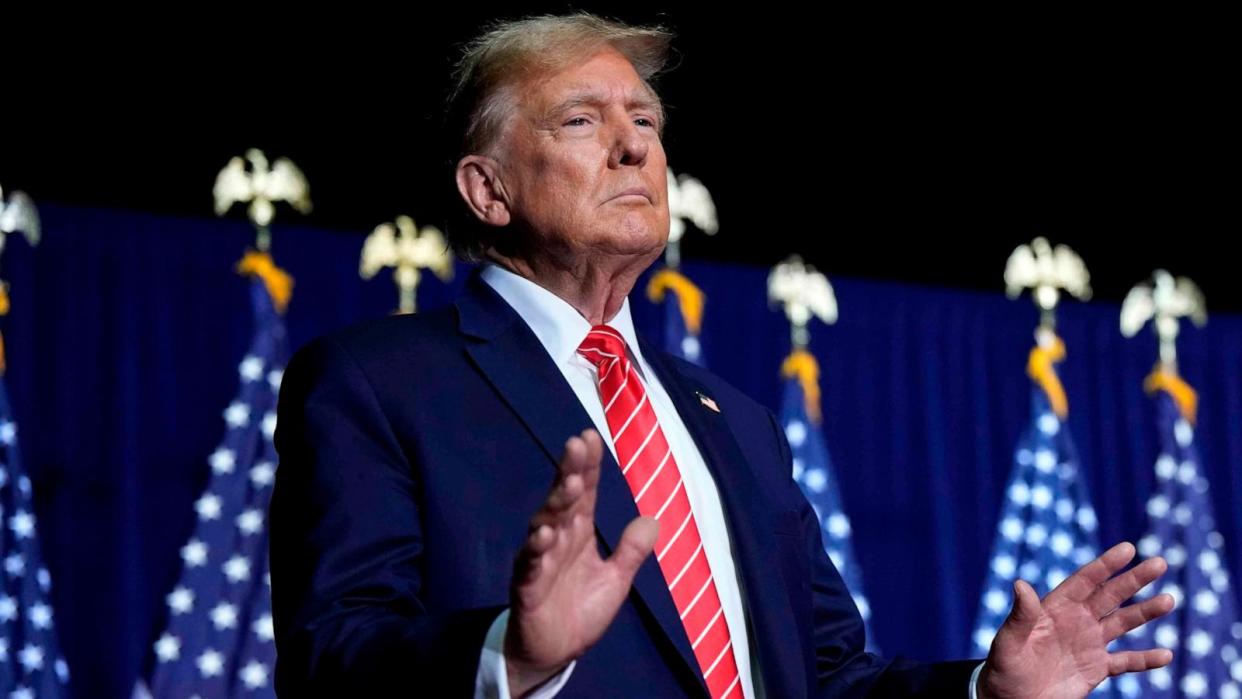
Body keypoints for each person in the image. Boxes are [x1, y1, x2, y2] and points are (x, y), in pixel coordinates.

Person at [268, 13, 1174, 698]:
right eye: (582, 121)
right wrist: (514, 647)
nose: (635, 146)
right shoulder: (375, 382)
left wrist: (985, 688)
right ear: (488, 189)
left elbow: (826, 677)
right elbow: (331, 657)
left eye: (648, 123)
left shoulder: (733, 420)